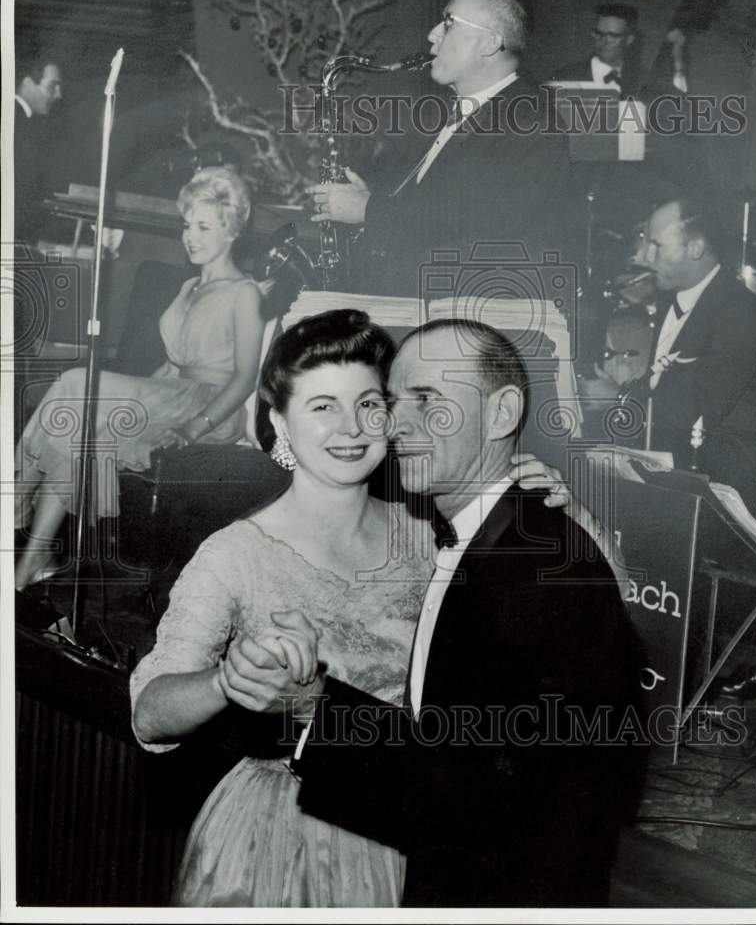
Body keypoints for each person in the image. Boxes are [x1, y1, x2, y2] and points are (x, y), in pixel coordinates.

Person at [129, 309, 573, 908]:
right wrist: (226, 681)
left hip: (422, 826)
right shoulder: (235, 554)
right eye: (322, 407)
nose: (352, 428)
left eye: (369, 404)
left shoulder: (430, 532)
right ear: (278, 421)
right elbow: (149, 715)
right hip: (283, 845)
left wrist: (544, 513)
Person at [218, 318, 644, 908]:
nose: (397, 424)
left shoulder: (541, 567)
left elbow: (478, 795)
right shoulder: (488, 541)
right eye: (394, 401)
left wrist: (316, 707)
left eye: (428, 400)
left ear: (502, 415)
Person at [14, 167, 264, 590]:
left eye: (204, 226)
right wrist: (131, 400)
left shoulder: (246, 292)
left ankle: (13, 502)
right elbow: (170, 367)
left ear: (232, 230)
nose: (191, 236)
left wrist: (191, 427)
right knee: (79, 418)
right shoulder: (187, 286)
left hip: (211, 408)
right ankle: (34, 557)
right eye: (187, 225)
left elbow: (244, 379)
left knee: (78, 384)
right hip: (172, 393)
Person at [306, 0, 570, 300]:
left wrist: (370, 210)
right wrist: (370, 198)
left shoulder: (532, 122)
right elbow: (435, 204)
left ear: (489, 43)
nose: (432, 34)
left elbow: (481, 229)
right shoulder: (445, 113)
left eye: (448, 23)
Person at [629, 197, 756, 530]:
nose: (645, 257)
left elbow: (694, 409)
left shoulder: (738, 313)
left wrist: (618, 400)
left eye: (656, 245)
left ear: (695, 248)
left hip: (733, 499)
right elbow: (663, 387)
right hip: (684, 476)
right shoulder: (676, 299)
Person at [552, 3, 688, 99]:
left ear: (629, 40)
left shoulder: (644, 80)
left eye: (613, 36)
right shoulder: (565, 76)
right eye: (598, 33)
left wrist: (677, 62)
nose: (604, 41)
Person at [14, 49, 64, 246]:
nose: (58, 95)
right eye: (52, 86)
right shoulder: (19, 126)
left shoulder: (20, 121)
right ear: (27, 84)